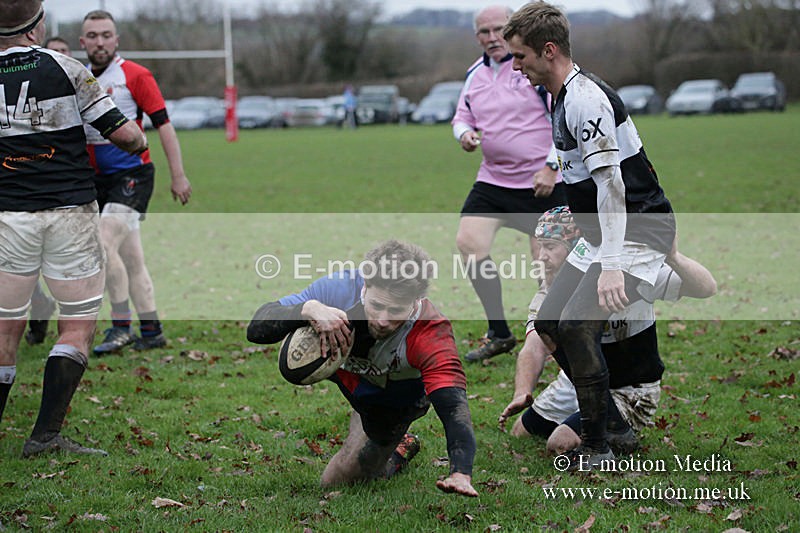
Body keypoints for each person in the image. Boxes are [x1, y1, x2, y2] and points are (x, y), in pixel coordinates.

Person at [504, 2, 678, 469]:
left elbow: (613, 185)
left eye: (520, 57)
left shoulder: (585, 100)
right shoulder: (560, 94)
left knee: (577, 326)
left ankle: (598, 445)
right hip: (602, 232)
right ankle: (613, 425)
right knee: (549, 322)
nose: (515, 67)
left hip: (639, 227)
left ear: (548, 49)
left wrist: (613, 263)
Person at [0, 0, 147, 456]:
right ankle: (45, 436)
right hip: (70, 215)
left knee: (5, 332)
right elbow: (128, 138)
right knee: (77, 328)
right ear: (38, 24)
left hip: (8, 217)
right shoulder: (67, 69)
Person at [247, 240, 479, 497]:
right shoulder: (338, 290)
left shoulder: (430, 334)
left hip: (390, 402)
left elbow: (453, 407)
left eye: (395, 311)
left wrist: (460, 473)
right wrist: (306, 309)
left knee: (342, 481)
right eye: (377, 305)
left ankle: (400, 449)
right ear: (365, 285)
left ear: (416, 300)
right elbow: (256, 328)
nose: (382, 320)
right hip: (349, 377)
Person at [498, 208, 716, 455]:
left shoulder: (627, 276)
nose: (541, 257)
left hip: (630, 390)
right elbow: (535, 346)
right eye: (540, 246)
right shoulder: (550, 294)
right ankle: (581, 418)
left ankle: (615, 431)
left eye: (550, 247)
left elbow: (706, 288)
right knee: (521, 432)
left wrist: (674, 257)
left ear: (576, 249)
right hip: (576, 384)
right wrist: (522, 391)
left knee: (559, 443)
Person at [452, 5, 567, 363]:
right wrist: (465, 134)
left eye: (498, 30)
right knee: (469, 244)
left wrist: (551, 166)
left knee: (546, 266)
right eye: (483, 32)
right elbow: (460, 116)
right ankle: (499, 333)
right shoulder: (475, 75)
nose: (491, 38)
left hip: (541, 183)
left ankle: (552, 338)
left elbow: (564, 120)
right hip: (494, 181)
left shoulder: (532, 67)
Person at [80, 10, 192, 355]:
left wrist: (178, 175)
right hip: (95, 180)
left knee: (103, 243)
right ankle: (152, 329)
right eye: (93, 36)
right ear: (82, 42)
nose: (100, 42)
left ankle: (120, 326)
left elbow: (164, 125)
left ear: (117, 40)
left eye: (106, 35)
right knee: (131, 258)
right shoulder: (77, 77)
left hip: (132, 175)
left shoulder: (135, 75)